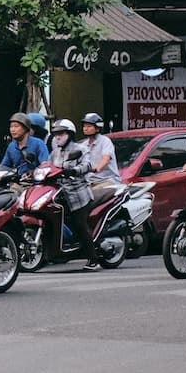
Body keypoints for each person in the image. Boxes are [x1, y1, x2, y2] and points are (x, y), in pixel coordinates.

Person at [46, 119, 100, 270]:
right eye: (56, 134)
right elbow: (47, 166)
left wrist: (74, 171)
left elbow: (87, 165)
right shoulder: (55, 151)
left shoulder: (80, 149)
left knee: (80, 224)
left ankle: (93, 258)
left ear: (70, 134)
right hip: (59, 193)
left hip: (78, 194)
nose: (58, 137)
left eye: (61, 134)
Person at [79, 114, 121, 188]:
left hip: (108, 180)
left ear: (97, 128)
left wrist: (98, 168)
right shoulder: (83, 145)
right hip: (90, 182)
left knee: (92, 195)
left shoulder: (105, 141)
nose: (85, 129)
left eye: (89, 126)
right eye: (84, 126)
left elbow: (106, 158)